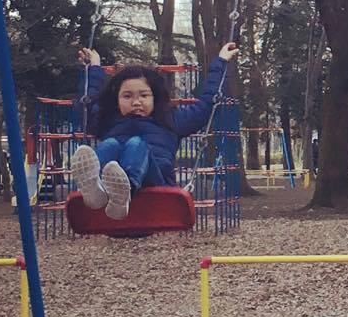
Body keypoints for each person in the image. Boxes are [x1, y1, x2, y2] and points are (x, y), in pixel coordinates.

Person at [72, 43, 237, 219]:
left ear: (154, 97)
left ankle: (126, 190)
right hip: (111, 203)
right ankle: (94, 188)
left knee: (137, 144)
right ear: (117, 99)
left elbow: (206, 104)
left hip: (157, 188)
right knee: (110, 144)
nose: (136, 102)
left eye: (144, 95)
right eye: (127, 96)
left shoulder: (170, 120)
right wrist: (93, 69)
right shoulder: (108, 121)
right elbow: (85, 107)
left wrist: (221, 62)